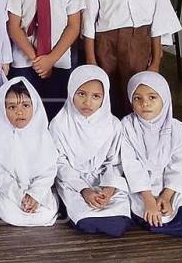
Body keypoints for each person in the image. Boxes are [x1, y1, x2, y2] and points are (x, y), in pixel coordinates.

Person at [49, 65, 132, 237]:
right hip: (73, 180)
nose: (87, 102)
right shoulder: (59, 124)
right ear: (71, 91)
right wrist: (84, 190)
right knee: (86, 218)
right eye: (81, 94)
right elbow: (59, 162)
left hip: (104, 179)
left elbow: (115, 161)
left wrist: (108, 190)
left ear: (104, 97)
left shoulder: (113, 125)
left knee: (119, 215)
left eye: (95, 96)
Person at [122, 71, 182, 237]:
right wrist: (149, 200)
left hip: (169, 186)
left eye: (152, 97)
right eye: (138, 98)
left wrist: (166, 197)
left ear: (164, 99)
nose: (145, 104)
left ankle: (168, 202)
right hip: (139, 187)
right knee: (148, 215)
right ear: (131, 101)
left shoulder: (177, 129)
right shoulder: (126, 127)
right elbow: (131, 166)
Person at [0, 78, 58, 227]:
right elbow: (0, 173)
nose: (19, 111)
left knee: (46, 212)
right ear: (2, 109)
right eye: (12, 107)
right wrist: (20, 197)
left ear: (35, 106)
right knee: (10, 212)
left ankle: (35, 203)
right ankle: (24, 205)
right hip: (11, 193)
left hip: (38, 190)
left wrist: (35, 195)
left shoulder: (42, 136)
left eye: (25, 105)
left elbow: (48, 170)